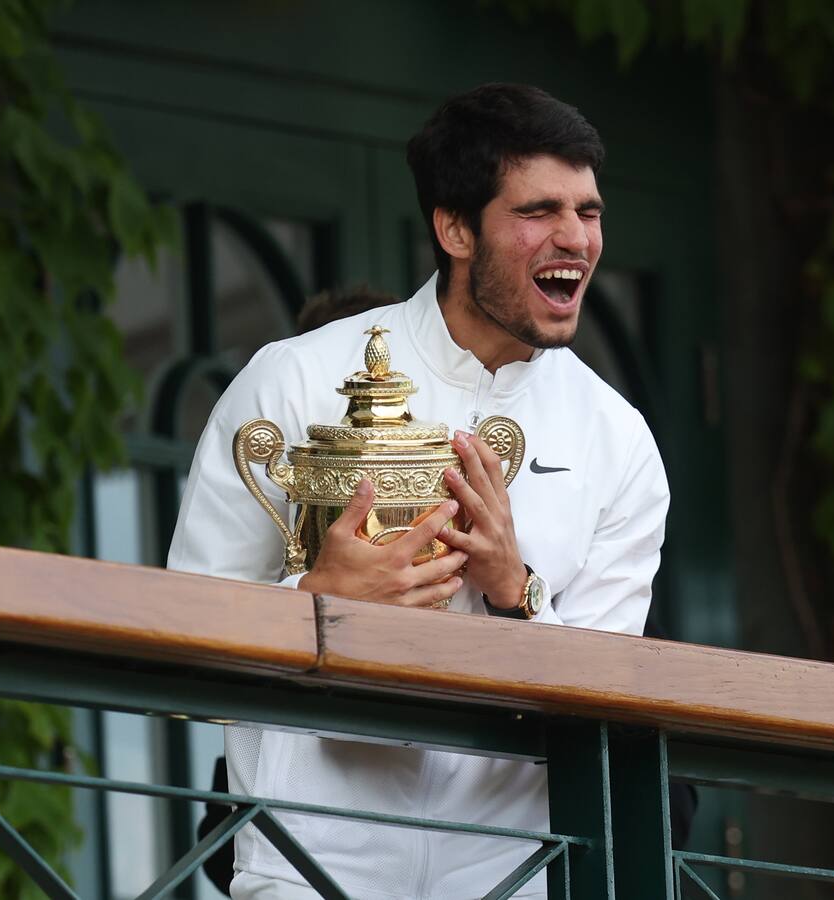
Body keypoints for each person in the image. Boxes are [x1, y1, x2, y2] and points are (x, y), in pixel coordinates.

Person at [169, 83, 670, 900]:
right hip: (306, 860)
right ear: (455, 228)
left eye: (590, 211)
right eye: (540, 210)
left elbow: (607, 703)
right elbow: (182, 633)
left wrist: (516, 593)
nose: (576, 238)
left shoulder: (620, 441)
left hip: (519, 872)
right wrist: (316, 599)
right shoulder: (293, 378)